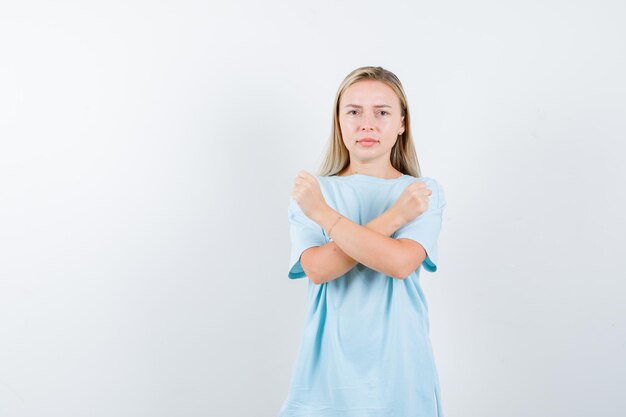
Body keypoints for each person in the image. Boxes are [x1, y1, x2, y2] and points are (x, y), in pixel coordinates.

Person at [278, 66, 447, 417]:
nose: (367, 124)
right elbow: (320, 269)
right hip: (324, 380)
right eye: (353, 112)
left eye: (382, 112)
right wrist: (395, 218)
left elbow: (399, 263)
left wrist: (324, 216)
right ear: (338, 121)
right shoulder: (314, 192)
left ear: (402, 123)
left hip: (400, 378)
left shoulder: (421, 193)